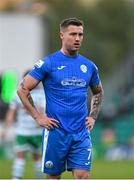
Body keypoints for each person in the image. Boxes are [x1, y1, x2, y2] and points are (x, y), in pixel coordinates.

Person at [17, 18, 104, 179]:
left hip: (80, 133)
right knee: (53, 177)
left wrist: (92, 116)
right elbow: (22, 89)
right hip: (56, 132)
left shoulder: (89, 66)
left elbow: (98, 92)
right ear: (62, 35)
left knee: (83, 176)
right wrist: (38, 117)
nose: (77, 38)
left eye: (80, 34)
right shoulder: (48, 63)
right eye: (73, 34)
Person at [2, 70, 45, 180]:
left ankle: (16, 178)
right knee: (38, 159)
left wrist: (5, 129)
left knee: (19, 158)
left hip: (22, 131)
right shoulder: (41, 94)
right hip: (37, 131)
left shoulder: (17, 93)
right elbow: (44, 112)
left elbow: (10, 114)